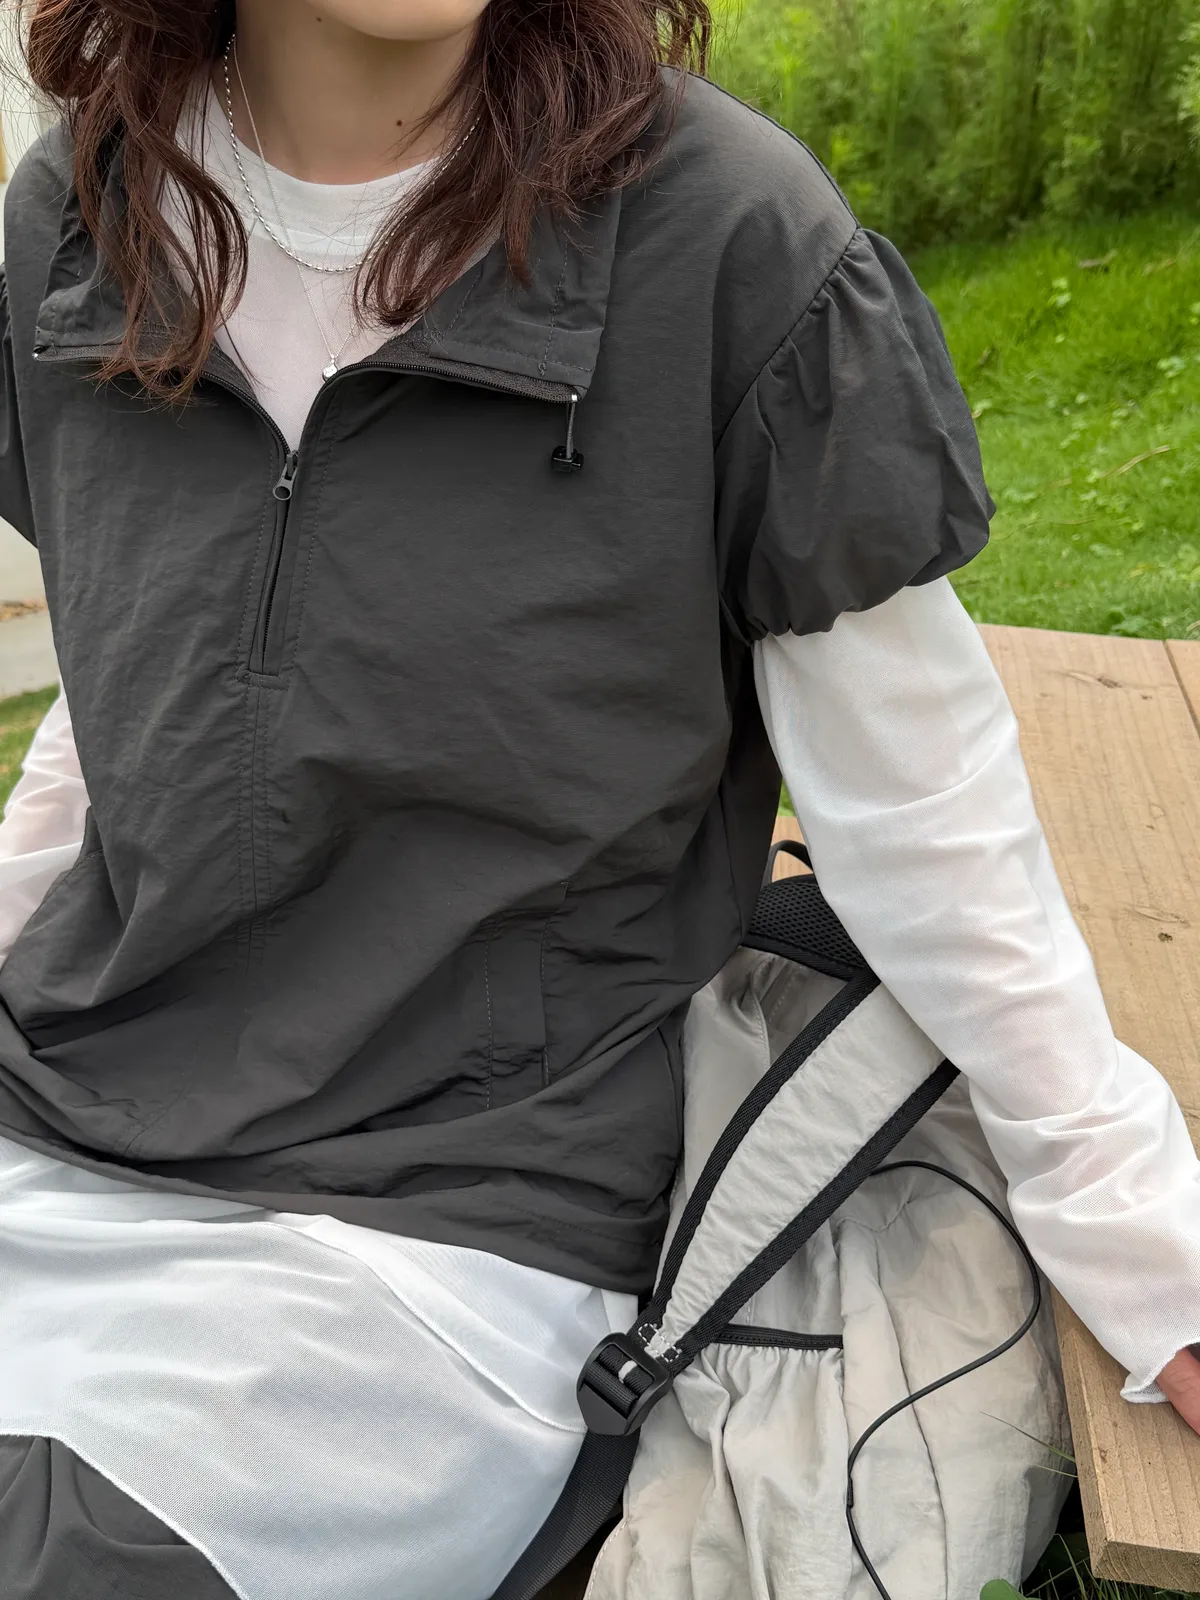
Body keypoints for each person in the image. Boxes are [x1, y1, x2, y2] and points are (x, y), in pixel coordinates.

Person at [0, 1, 1197, 1595]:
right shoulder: (78, 211)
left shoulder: (727, 241)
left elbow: (925, 807)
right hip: (67, 1118)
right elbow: (123, 691)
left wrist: (1130, 1217)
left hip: (451, 1228)